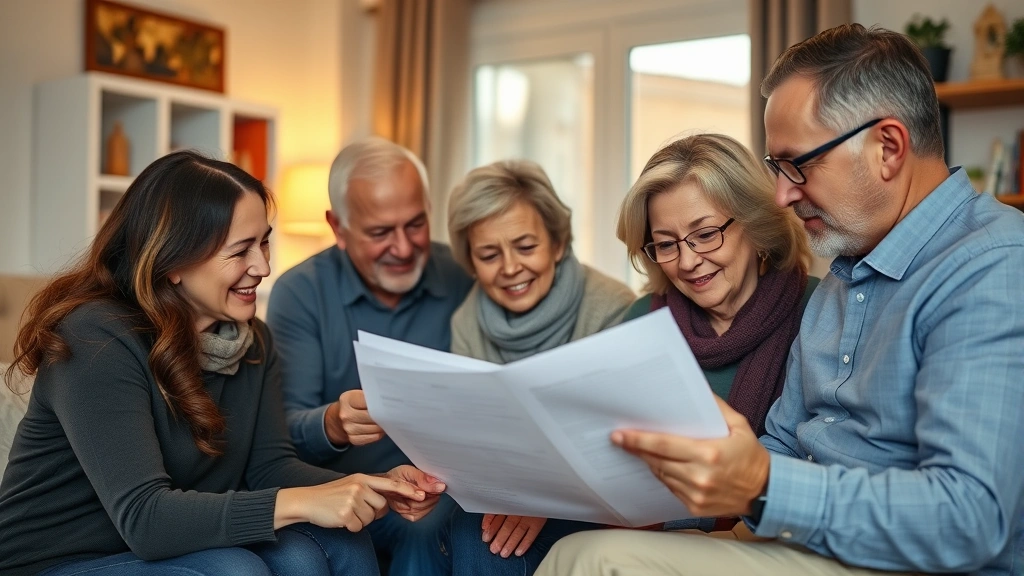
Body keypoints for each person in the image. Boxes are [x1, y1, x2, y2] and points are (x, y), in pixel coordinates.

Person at [535, 23, 1024, 576]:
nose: (781, 195)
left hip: (901, 561)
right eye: (776, 168)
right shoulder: (844, 277)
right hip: (799, 544)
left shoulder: (993, 264)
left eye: (799, 164)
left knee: (596, 564)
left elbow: (972, 519)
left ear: (888, 147)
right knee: (576, 551)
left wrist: (762, 484)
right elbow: (786, 442)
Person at [0, 150, 444, 576]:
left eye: (264, 243)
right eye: (240, 250)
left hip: (161, 554)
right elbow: (145, 518)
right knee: (234, 569)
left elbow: (270, 468)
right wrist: (305, 501)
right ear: (173, 261)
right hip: (55, 560)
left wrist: (374, 485)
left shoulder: (252, 342)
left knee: (335, 541)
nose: (263, 267)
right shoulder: (95, 336)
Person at [266, 137, 474, 575]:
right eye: (380, 232)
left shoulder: (461, 276)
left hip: (452, 488)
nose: (402, 247)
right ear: (338, 227)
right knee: (421, 528)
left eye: (415, 224)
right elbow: (277, 436)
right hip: (350, 490)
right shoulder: (300, 293)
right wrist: (333, 424)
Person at [440, 159, 635, 575]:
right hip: (505, 493)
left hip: (596, 496)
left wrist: (543, 497)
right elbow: (473, 438)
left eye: (526, 247)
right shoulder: (466, 321)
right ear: (471, 262)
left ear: (558, 243)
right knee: (471, 527)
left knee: (478, 533)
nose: (510, 268)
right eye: (489, 254)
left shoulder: (612, 308)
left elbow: (619, 444)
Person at [619, 133, 815, 442]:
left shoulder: (822, 309)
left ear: (756, 224)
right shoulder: (641, 320)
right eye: (667, 244)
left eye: (707, 234)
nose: (687, 262)